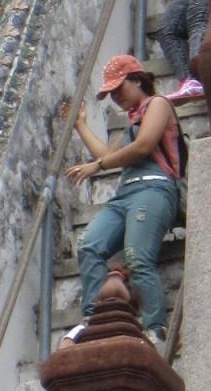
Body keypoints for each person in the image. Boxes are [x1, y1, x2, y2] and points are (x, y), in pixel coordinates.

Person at [65, 54, 183, 345]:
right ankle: (93, 318)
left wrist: (97, 167)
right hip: (126, 194)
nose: (116, 97)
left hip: (155, 187)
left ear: (138, 80)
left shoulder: (158, 104)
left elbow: (143, 146)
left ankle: (155, 327)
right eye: (111, 93)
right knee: (89, 245)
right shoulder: (133, 119)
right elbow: (109, 155)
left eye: (119, 88)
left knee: (137, 256)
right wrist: (80, 126)